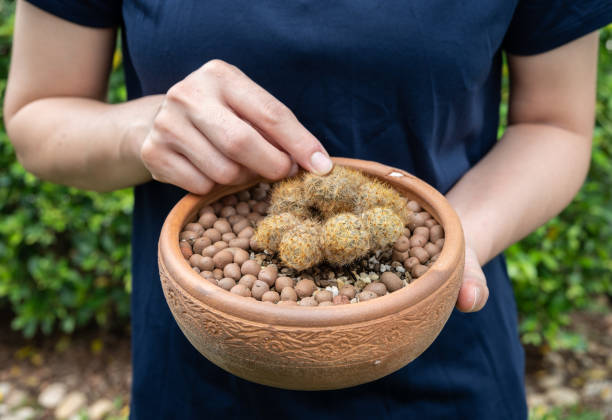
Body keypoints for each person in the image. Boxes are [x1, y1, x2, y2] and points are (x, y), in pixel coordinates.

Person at [5, 1, 612, 418]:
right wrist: (142, 126)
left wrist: (457, 245)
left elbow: (554, 125)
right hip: (200, 366)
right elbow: (38, 117)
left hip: (443, 352)